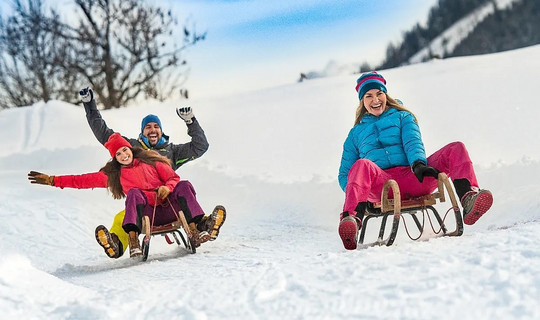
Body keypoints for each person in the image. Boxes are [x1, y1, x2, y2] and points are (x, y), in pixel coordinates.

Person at [337, 71, 493, 250]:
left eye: (379, 93)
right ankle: (352, 219)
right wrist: (362, 199)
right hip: (381, 188)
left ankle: (469, 197)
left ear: (386, 94)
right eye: (369, 95)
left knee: (456, 148)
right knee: (361, 165)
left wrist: (418, 163)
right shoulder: (355, 134)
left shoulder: (403, 117)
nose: (375, 100)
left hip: (414, 176)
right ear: (362, 101)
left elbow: (412, 141)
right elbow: (345, 175)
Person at [74, 87, 224, 259]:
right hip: (143, 206)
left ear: (161, 130)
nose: (152, 130)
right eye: (148, 127)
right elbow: (103, 133)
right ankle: (116, 244)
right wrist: (89, 104)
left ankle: (206, 226)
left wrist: (191, 122)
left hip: (168, 205)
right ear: (142, 132)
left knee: (185, 194)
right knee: (120, 218)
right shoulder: (131, 148)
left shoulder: (172, 152)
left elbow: (200, 146)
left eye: (156, 126)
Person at [28, 133, 225, 257]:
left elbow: (173, 177)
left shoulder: (151, 161)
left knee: (184, 185)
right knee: (134, 194)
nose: (123, 155)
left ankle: (201, 226)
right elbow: (82, 180)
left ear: (130, 148)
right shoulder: (115, 175)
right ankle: (131, 240)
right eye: (118, 154)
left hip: (169, 208)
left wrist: (168, 187)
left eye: (125, 150)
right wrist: (53, 180)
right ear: (115, 158)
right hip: (146, 214)